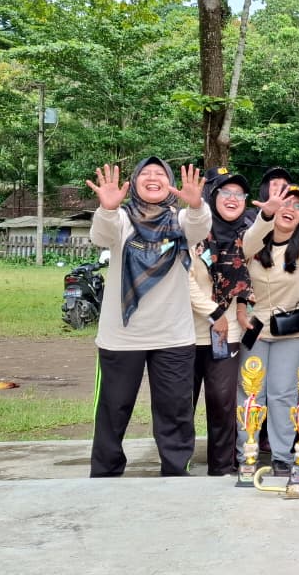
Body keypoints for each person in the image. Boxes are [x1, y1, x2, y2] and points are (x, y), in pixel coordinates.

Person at [85, 158, 208, 477]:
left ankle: (176, 473)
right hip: (121, 336)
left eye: (160, 173)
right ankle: (105, 475)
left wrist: (196, 205)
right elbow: (101, 236)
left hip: (173, 336)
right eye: (146, 173)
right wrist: (107, 208)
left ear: (170, 183)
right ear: (134, 182)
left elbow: (200, 228)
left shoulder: (181, 220)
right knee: (112, 410)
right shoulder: (120, 219)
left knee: (176, 411)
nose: (153, 177)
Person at [241, 175, 299, 476]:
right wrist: (266, 214)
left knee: (283, 393)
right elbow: (249, 240)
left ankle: (282, 456)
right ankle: (246, 452)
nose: (290, 209)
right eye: (285, 204)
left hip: (291, 329)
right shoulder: (253, 243)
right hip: (253, 327)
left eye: (298, 207)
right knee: (251, 392)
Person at [186, 168, 254, 476]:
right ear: (212, 196)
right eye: (226, 192)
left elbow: (245, 278)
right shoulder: (194, 232)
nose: (232, 198)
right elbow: (185, 280)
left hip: (227, 333)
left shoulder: (245, 234)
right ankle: (176, 463)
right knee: (181, 403)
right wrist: (214, 312)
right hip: (188, 332)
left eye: (239, 194)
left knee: (222, 401)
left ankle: (222, 466)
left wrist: (236, 308)